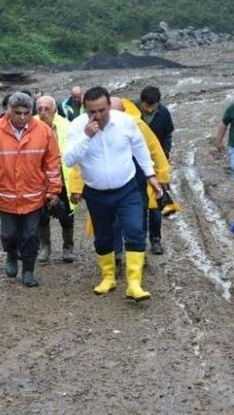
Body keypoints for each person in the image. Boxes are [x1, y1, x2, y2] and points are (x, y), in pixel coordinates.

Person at [64, 86, 163, 301]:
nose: (97, 116)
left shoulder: (125, 122)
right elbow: (69, 159)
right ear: (84, 109)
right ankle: (108, 277)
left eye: (101, 110)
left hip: (127, 188)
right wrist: (86, 137)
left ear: (109, 105)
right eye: (92, 112)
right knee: (103, 236)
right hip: (96, 192)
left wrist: (150, 175)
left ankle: (134, 283)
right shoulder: (77, 127)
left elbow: (140, 148)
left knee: (135, 229)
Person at [0, 92, 62, 287]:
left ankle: (29, 271)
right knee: (9, 233)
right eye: (17, 113)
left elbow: (52, 164)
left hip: (34, 196)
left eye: (27, 113)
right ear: (8, 111)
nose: (22, 117)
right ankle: (11, 255)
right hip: (5, 196)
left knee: (31, 235)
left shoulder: (44, 131)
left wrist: (53, 191)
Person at [105, 97, 171, 268]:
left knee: (138, 218)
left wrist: (161, 177)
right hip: (110, 183)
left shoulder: (137, 125)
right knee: (113, 220)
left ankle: (138, 253)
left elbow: (155, 149)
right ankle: (116, 255)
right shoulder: (98, 128)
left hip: (137, 181)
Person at [35, 95, 78, 263]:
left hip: (62, 176)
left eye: (47, 109)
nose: (43, 112)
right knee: (41, 215)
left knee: (67, 215)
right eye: (40, 109)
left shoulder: (67, 126)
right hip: (39, 177)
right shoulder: (31, 124)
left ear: (54, 110)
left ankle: (68, 247)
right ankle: (45, 246)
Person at [137, 86, 175, 254]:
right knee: (138, 205)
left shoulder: (163, 113)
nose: (150, 109)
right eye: (147, 105)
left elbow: (168, 134)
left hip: (156, 163)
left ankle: (155, 239)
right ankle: (139, 242)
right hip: (136, 165)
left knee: (156, 204)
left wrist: (165, 153)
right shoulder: (131, 112)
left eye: (154, 106)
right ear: (141, 102)